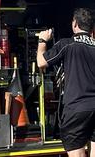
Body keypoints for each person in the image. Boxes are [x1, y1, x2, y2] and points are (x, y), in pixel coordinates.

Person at [37, 8, 95, 157]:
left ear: (75, 24)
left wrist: (42, 40)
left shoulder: (67, 44)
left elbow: (41, 62)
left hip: (76, 109)